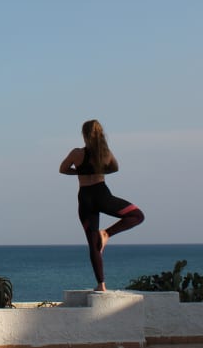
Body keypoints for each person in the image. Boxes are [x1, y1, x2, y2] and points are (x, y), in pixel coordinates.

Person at [59, 119, 144, 291]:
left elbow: (63, 169)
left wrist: (79, 172)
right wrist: (99, 170)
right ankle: (107, 233)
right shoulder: (105, 153)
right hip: (102, 194)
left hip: (85, 198)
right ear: (100, 133)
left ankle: (101, 285)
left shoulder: (76, 153)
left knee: (92, 243)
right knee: (138, 215)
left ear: (84, 134)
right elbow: (115, 168)